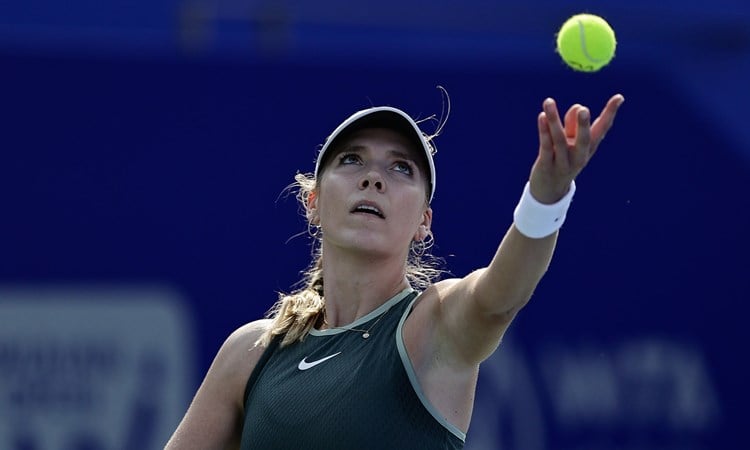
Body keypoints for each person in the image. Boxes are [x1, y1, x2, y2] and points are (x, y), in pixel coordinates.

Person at [165, 92, 625, 449]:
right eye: (352, 160)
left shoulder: (433, 326)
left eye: (401, 168)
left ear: (424, 221)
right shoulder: (250, 352)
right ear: (314, 203)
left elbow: (499, 297)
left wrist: (546, 198)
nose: (374, 177)